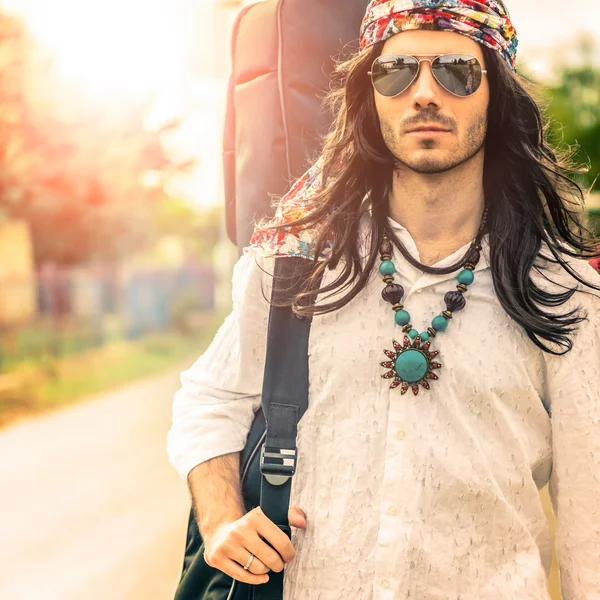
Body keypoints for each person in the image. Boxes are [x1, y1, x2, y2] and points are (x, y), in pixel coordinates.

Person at [167, 1, 600, 598]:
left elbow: (590, 515)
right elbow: (210, 397)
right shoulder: (295, 261)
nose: (425, 93)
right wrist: (220, 520)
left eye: (456, 71)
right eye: (397, 73)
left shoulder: (565, 290)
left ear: (496, 97)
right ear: (370, 99)